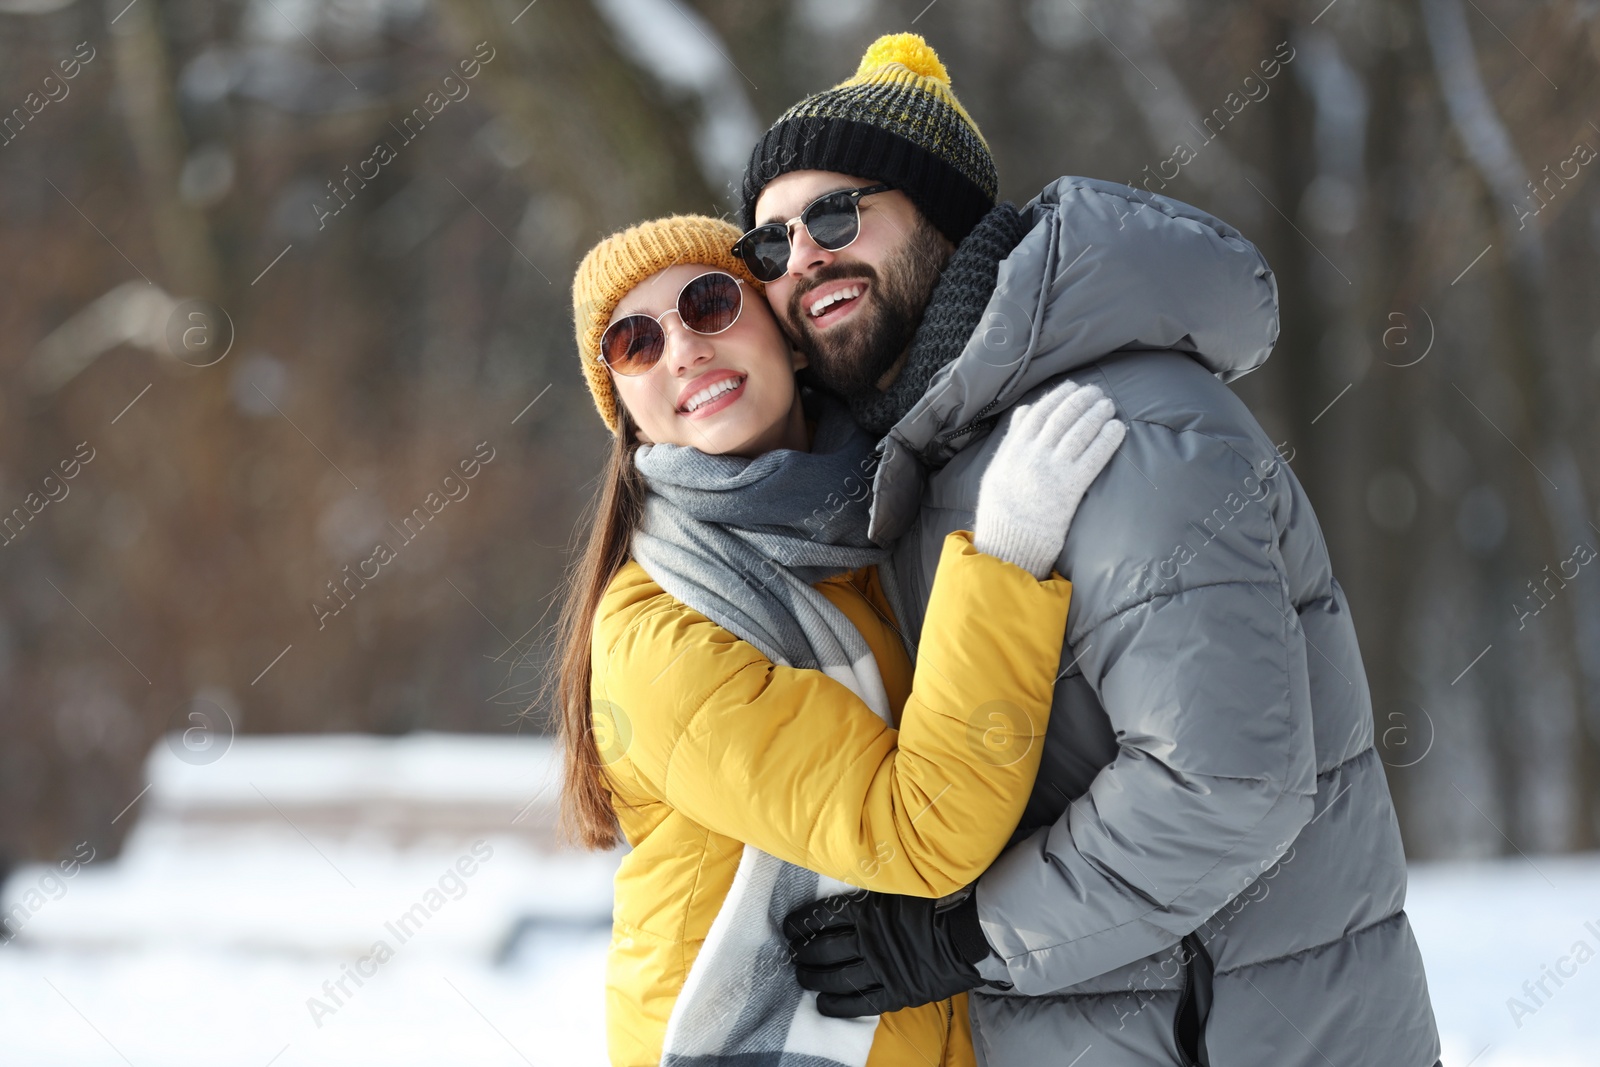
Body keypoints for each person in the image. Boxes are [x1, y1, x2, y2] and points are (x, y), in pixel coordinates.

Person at [741, 33, 1442, 1067]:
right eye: (767, 247)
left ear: (942, 219)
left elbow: (1223, 786)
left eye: (839, 213)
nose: (801, 258)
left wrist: (962, 938)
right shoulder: (931, 468)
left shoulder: (1121, 426)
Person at [550, 214, 1125, 1067]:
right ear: (624, 408)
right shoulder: (658, 637)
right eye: (633, 343)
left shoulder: (870, 531)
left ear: (781, 329)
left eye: (708, 303)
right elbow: (920, 830)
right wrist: (1005, 557)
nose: (682, 350)